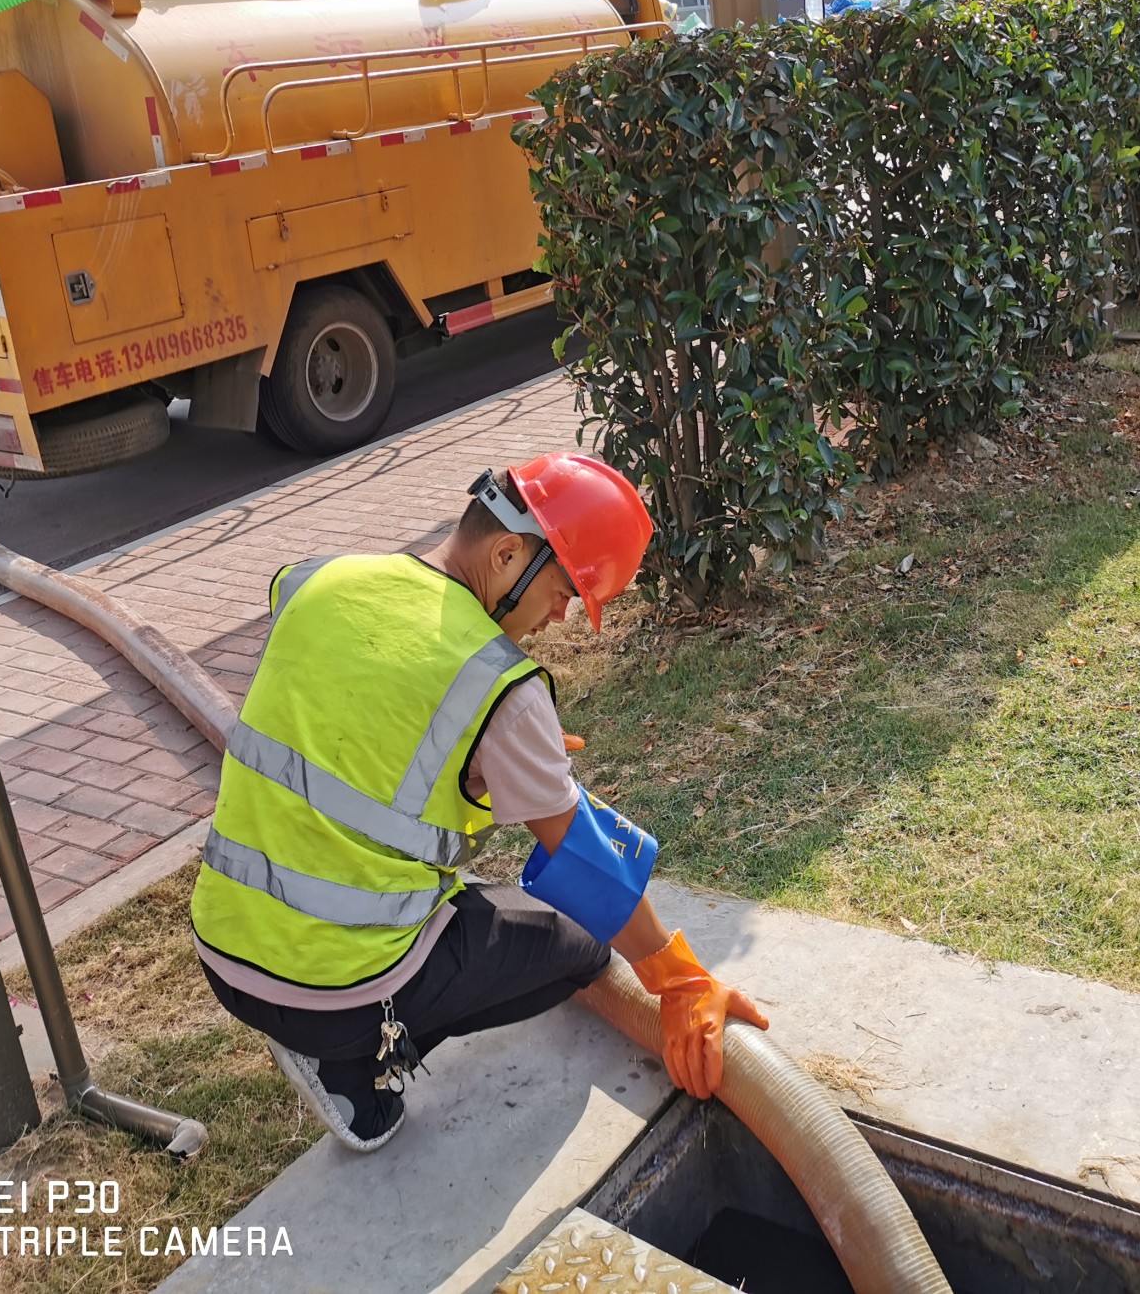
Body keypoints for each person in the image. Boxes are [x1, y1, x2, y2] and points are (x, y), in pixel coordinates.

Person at [191, 453, 768, 1152]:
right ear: (506, 553)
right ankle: (354, 1063)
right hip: (329, 987)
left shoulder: (323, 579)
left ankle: (334, 1030)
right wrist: (678, 981)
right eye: (563, 592)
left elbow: (354, 681)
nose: (560, 617)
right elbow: (580, 854)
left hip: (222, 947)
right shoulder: (499, 683)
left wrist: (493, 747)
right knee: (578, 942)